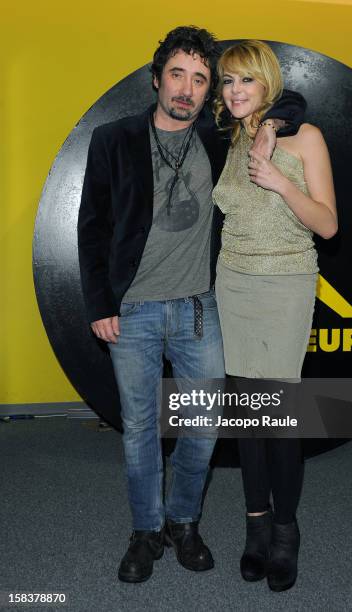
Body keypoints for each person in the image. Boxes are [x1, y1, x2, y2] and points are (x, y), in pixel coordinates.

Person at [77, 26, 306, 584]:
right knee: (139, 429)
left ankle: (183, 522)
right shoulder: (113, 138)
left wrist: (273, 122)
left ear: (209, 93)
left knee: (202, 428)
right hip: (131, 311)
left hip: (200, 310)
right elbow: (92, 226)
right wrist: (98, 302)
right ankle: (145, 530)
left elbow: (292, 100)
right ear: (157, 79)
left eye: (201, 79)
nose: (187, 88)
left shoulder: (218, 135)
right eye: (177, 74)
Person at [213, 40, 337, 592]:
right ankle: (256, 526)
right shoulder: (235, 137)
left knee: (279, 417)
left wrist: (282, 182)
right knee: (246, 413)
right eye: (227, 82)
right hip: (233, 283)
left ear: (267, 83)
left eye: (245, 81)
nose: (234, 92)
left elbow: (329, 225)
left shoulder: (304, 136)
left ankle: (286, 532)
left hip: (286, 282)